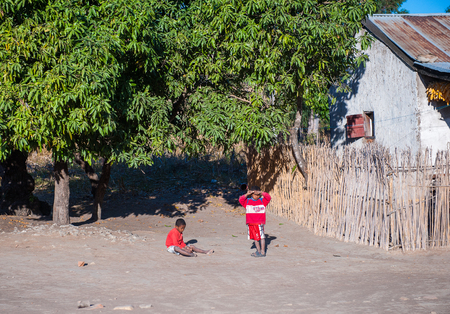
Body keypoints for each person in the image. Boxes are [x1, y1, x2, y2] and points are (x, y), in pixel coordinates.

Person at [239, 185, 271, 257]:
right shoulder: (247, 201)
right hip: (251, 223)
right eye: (255, 194)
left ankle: (262, 252)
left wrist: (262, 192)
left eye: (258, 195)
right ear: (251, 194)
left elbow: (268, 197)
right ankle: (258, 251)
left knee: (262, 237)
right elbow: (240, 200)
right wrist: (247, 194)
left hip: (259, 223)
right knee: (255, 238)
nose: (257, 196)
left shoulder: (263, 201)